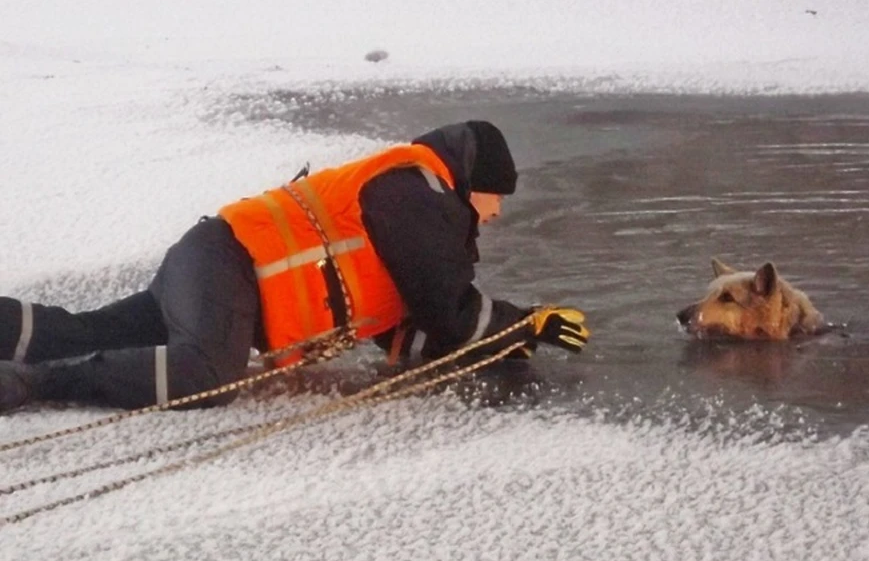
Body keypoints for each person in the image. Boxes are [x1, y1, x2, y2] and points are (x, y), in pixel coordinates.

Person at [0, 121, 590, 413]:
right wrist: (525, 322)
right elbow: (449, 307)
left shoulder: (416, 210)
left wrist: (504, 345)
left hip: (214, 266)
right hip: (228, 264)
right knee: (206, 372)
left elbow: (421, 330)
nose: (497, 214)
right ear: (473, 184)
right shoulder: (417, 192)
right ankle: (37, 385)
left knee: (86, 331)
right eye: (497, 198)